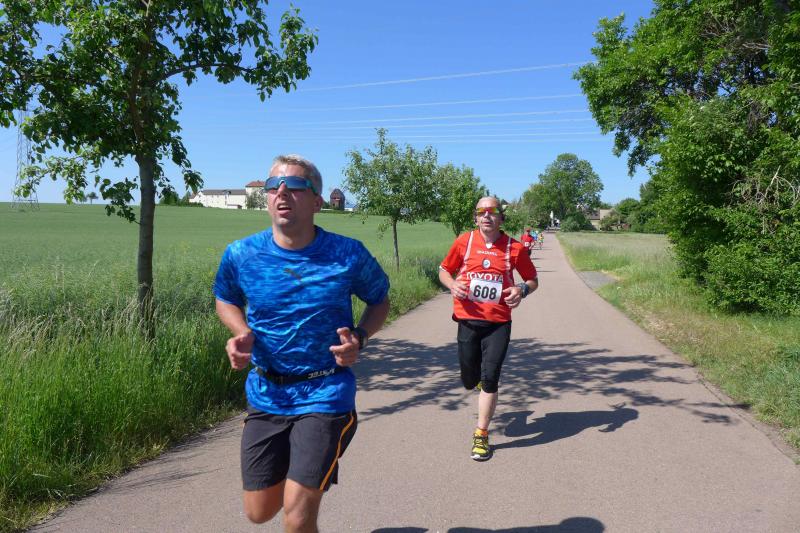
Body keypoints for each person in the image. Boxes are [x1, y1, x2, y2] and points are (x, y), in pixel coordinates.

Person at [213, 154, 390, 531]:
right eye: (272, 185)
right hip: (266, 394)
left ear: (317, 202)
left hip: (326, 392)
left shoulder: (347, 254)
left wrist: (360, 337)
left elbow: (379, 300)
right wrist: (241, 331)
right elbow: (225, 298)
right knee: (259, 512)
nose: (281, 192)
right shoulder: (241, 254)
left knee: (296, 515)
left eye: (294, 185)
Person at [438, 197, 538, 461]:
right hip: (468, 320)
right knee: (469, 380)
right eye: (481, 211)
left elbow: (532, 279)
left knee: (491, 377)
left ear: (501, 218)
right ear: (476, 217)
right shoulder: (464, 241)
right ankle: (478, 381)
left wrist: (521, 290)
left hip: (499, 323)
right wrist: (452, 285)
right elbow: (444, 270)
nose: (486, 216)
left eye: (492, 211)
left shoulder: (515, 248)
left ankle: (481, 434)